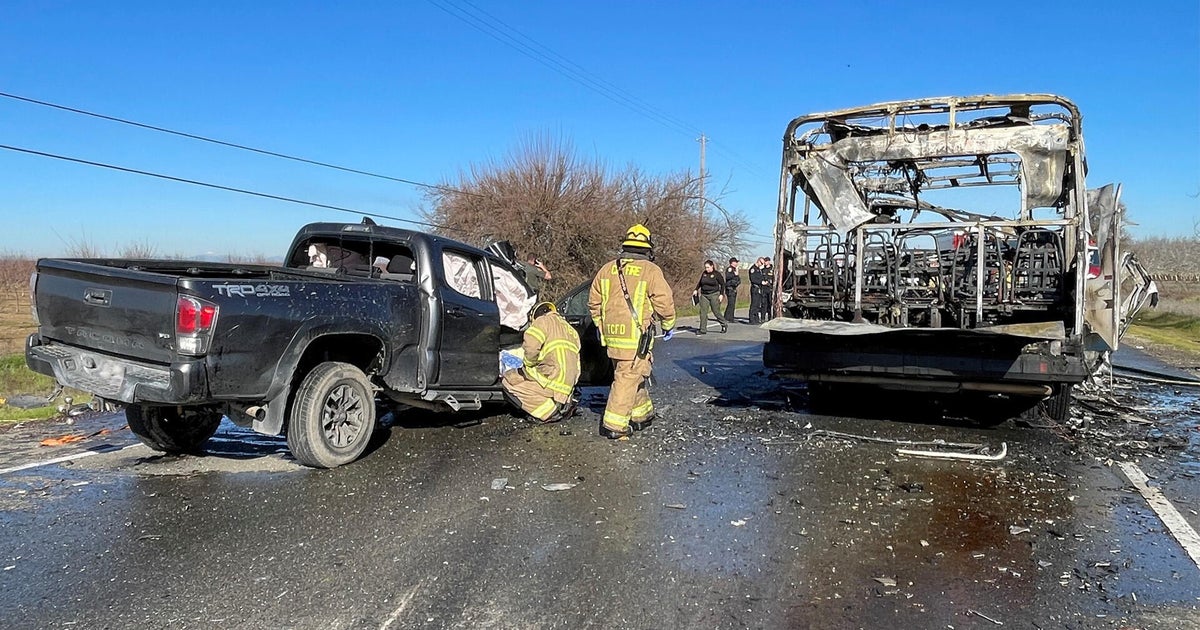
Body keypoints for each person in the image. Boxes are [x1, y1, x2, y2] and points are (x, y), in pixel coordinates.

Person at [588, 224, 676, 440]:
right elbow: (663, 301)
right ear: (647, 249)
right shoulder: (650, 270)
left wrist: (600, 325)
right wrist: (668, 324)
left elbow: (594, 302)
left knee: (633, 374)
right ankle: (614, 425)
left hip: (612, 336)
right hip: (636, 338)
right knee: (627, 378)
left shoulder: (606, 269)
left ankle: (641, 415)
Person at [501, 302, 581, 423]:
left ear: (534, 316)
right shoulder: (571, 330)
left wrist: (528, 364)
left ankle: (549, 413)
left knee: (508, 382)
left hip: (552, 378)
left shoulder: (542, 321)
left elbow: (531, 347)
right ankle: (564, 404)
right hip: (568, 383)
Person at [692, 260, 727, 334]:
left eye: (708, 267)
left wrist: (721, 294)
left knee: (716, 311)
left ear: (712, 266)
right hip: (704, 295)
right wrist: (696, 289)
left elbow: (722, 284)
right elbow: (700, 283)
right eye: (705, 267)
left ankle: (723, 323)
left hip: (714, 294)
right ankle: (703, 329)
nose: (706, 269)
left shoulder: (716, 274)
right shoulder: (704, 274)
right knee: (703, 312)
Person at [747, 257, 766, 324]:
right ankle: (752, 319)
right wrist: (761, 282)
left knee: (758, 305)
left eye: (763, 263)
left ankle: (756, 319)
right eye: (761, 263)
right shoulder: (753, 269)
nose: (762, 264)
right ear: (758, 261)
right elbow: (753, 279)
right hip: (755, 288)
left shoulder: (759, 269)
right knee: (754, 304)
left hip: (759, 289)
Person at [758, 256, 776, 322]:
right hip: (764, 289)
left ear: (769, 261)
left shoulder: (773, 270)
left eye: (766, 261)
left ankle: (769, 317)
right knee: (763, 304)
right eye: (765, 261)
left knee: (770, 304)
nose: (765, 262)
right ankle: (762, 318)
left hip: (770, 289)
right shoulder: (762, 270)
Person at [723, 257, 740, 322]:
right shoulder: (730, 269)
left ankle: (730, 317)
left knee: (732, 304)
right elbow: (728, 276)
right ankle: (727, 317)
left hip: (733, 288)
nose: (737, 263)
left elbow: (738, 279)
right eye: (735, 262)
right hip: (729, 288)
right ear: (732, 262)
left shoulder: (734, 269)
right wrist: (735, 274)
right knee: (731, 303)